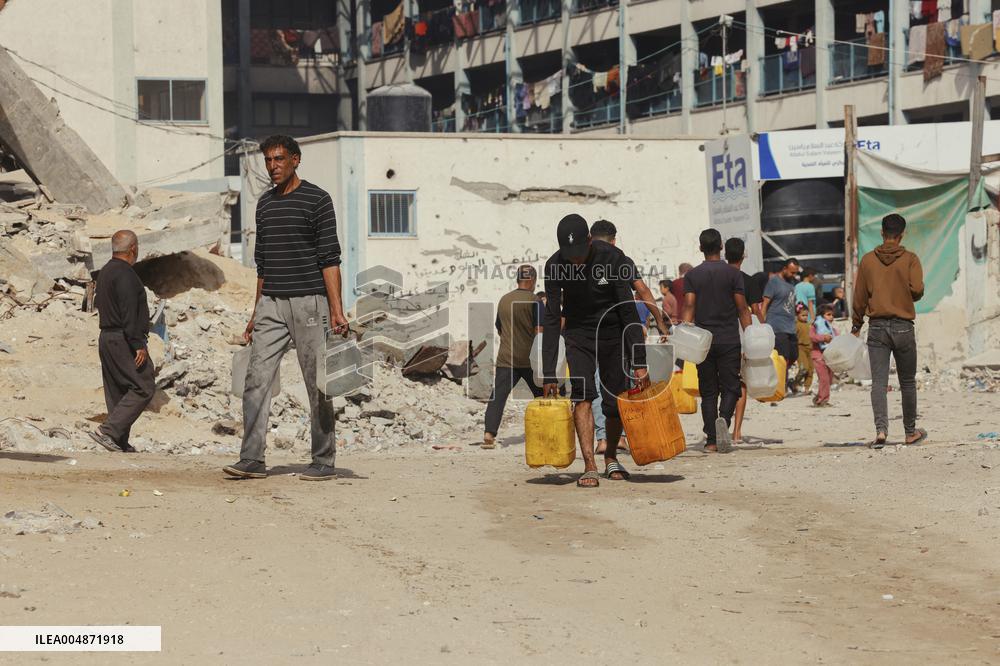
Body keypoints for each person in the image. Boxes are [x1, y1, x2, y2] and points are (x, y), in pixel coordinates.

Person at [224, 135, 348, 481]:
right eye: (268, 160)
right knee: (255, 381)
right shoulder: (264, 205)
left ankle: (323, 459)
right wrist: (254, 313)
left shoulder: (317, 200)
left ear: (295, 160)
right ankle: (251, 458)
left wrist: (336, 310)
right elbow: (262, 264)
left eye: (279, 159)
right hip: (271, 304)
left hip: (310, 302)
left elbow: (330, 260)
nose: (273, 167)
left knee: (317, 384)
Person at [542, 214, 649, 487]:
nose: (575, 260)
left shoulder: (614, 258)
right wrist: (549, 373)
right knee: (583, 396)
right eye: (570, 255)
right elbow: (553, 319)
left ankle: (610, 456)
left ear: (589, 240)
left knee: (614, 401)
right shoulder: (554, 266)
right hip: (579, 334)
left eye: (579, 253)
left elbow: (628, 310)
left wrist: (639, 360)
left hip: (613, 332)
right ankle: (589, 464)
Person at [852, 213, 927, 449]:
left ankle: (881, 431)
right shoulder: (911, 259)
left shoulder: (867, 261)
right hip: (903, 327)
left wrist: (856, 324)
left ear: (882, 233)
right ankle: (910, 432)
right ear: (902, 234)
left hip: (877, 328)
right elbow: (917, 290)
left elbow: (859, 297)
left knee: (879, 383)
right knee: (907, 382)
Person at [682, 229, 752, 453]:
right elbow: (742, 308)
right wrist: (750, 336)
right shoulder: (733, 274)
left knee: (709, 391)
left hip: (703, 342)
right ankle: (724, 420)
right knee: (732, 387)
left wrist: (684, 335)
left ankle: (711, 439)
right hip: (729, 339)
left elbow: (690, 308)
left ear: (701, 248)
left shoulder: (692, 275)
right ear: (721, 247)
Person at [88, 230, 155, 453]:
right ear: (133, 248)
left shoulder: (106, 271)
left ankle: (118, 440)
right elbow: (128, 312)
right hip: (123, 338)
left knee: (117, 390)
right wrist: (138, 344)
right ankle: (108, 431)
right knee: (143, 386)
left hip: (107, 337)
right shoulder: (126, 274)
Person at [483, 265, 544, 449]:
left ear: (518, 279)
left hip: (506, 358)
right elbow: (539, 332)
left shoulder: (504, 300)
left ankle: (489, 433)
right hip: (529, 359)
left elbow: (500, 328)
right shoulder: (535, 301)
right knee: (542, 395)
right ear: (532, 280)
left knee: (498, 396)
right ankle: (544, 431)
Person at [724, 237, 763, 443]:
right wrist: (763, 331)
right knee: (740, 384)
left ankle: (718, 425)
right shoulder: (749, 281)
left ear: (725, 254)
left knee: (721, 383)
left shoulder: (718, 278)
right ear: (744, 255)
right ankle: (737, 432)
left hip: (719, 334)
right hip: (742, 335)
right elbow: (755, 310)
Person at [761, 258, 801, 390]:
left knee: (794, 355)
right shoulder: (774, 282)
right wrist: (762, 324)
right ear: (784, 269)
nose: (793, 275)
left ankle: (780, 379)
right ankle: (780, 385)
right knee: (783, 356)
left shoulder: (792, 283)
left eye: (795, 272)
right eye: (791, 272)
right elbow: (765, 303)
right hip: (776, 325)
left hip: (790, 326)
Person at [810, 304, 836, 407]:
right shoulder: (815, 326)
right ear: (821, 316)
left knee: (829, 379)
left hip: (828, 357)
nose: (831, 317)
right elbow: (812, 337)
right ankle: (822, 400)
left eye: (832, 315)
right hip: (818, 356)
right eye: (828, 315)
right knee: (824, 379)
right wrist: (823, 338)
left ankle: (821, 397)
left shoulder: (832, 330)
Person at [794, 304, 814, 394]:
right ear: (797, 315)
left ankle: (807, 388)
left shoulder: (809, 325)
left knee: (810, 369)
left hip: (810, 349)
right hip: (800, 348)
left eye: (806, 315)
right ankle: (795, 383)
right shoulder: (796, 325)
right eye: (803, 315)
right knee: (804, 368)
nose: (805, 317)